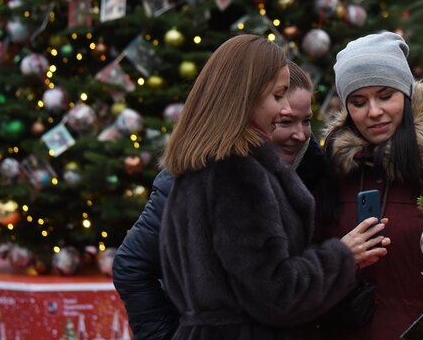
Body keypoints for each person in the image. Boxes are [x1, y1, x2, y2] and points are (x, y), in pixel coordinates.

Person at [158, 35, 388, 339]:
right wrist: (343, 255)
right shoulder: (237, 171)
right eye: (277, 96)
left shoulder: (199, 164)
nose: (282, 110)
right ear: (246, 96)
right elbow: (277, 294)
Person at [113, 62, 328, 339]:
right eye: (285, 121)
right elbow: (132, 265)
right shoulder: (195, 174)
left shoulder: (316, 171)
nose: (300, 135)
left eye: (307, 120)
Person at [315, 31, 423, 340]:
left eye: (385, 95)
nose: (374, 112)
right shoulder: (334, 172)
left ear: (405, 93)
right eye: (359, 102)